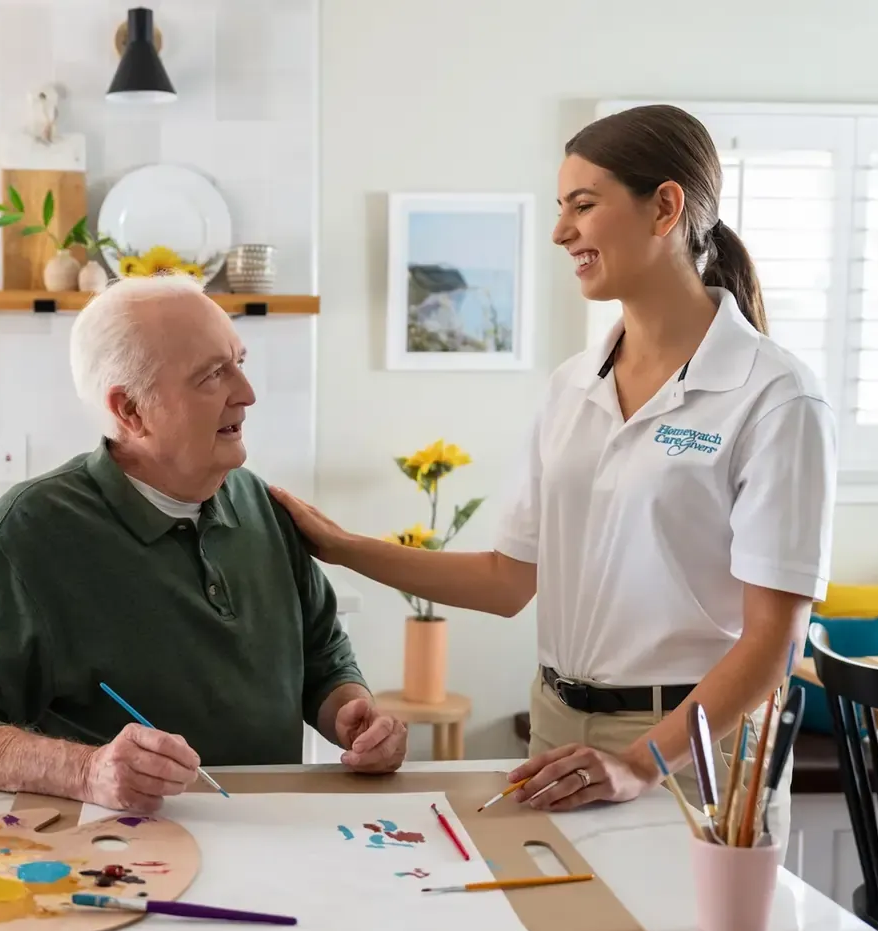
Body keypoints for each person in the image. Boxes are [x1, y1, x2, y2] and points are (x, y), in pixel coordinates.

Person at [271, 105, 835, 851]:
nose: (560, 231)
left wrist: (639, 761)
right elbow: (509, 579)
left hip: (698, 748)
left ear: (665, 207)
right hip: (559, 725)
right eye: (559, 208)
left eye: (583, 205)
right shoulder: (571, 387)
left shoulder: (774, 394)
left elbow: (774, 641)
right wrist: (341, 545)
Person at [0, 275, 407, 812]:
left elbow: (323, 657)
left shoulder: (260, 503)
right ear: (131, 411)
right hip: (119, 860)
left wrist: (352, 713)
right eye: (213, 375)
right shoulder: (33, 530)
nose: (247, 393)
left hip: (273, 840)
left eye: (239, 361)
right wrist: (86, 770)